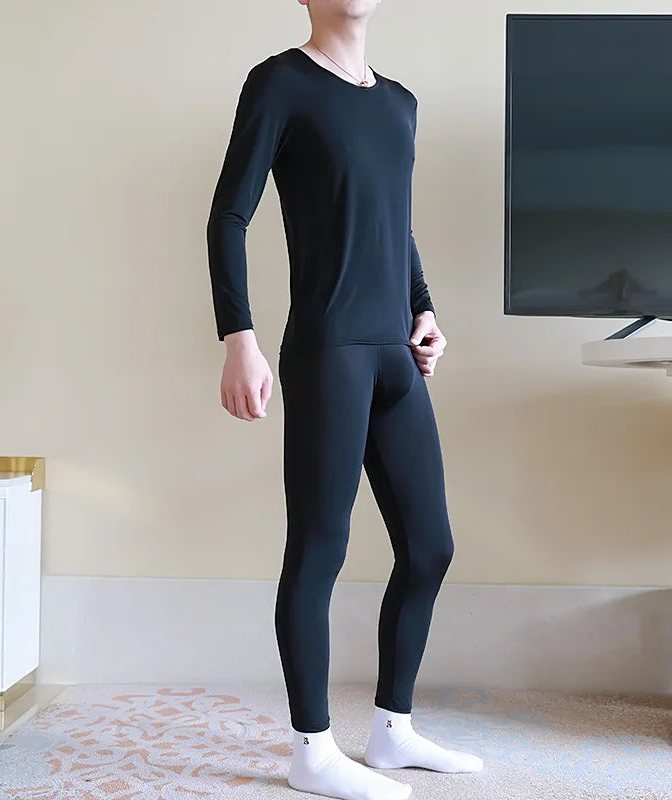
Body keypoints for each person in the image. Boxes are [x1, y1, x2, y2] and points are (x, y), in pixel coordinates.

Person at [206, 1, 484, 798]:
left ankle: (393, 732)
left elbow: (395, 223)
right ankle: (312, 750)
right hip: (328, 350)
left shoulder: (399, 102)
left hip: (395, 353)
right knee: (320, 547)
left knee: (430, 547)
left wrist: (423, 308)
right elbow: (229, 216)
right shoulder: (280, 83)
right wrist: (239, 337)